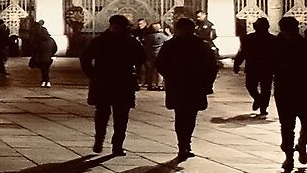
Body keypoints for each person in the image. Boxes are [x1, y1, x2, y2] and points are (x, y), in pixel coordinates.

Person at [81, 13, 147, 157]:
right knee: (108, 115)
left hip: (110, 82)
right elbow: (141, 59)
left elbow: (141, 58)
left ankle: (114, 144)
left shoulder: (101, 41)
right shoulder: (129, 42)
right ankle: (104, 141)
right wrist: (92, 74)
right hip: (116, 82)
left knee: (116, 116)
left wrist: (92, 74)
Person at [156, 16, 221, 161]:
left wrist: (170, 77)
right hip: (193, 85)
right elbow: (212, 66)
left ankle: (184, 144)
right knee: (188, 116)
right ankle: (185, 144)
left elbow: (160, 64)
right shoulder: (199, 45)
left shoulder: (172, 45)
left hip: (181, 85)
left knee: (183, 116)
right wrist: (207, 82)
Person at [274, 16, 307, 170]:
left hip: (291, 90)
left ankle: (296, 150)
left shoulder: (301, 44)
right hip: (293, 90)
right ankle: (292, 153)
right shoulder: (302, 44)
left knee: (288, 125)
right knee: (289, 125)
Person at [240, 16, 277, 117]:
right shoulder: (272, 39)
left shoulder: (271, 39)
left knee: (260, 87)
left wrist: (237, 63)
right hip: (261, 67)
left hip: (259, 67)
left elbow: (242, 52)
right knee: (258, 87)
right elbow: (243, 52)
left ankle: (262, 106)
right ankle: (260, 101)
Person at [28, 19, 57, 89]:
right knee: (46, 69)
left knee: (44, 70)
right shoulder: (51, 40)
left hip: (41, 57)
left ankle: (45, 81)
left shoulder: (39, 41)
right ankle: (46, 81)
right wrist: (51, 54)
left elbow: (35, 49)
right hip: (48, 57)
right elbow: (55, 48)